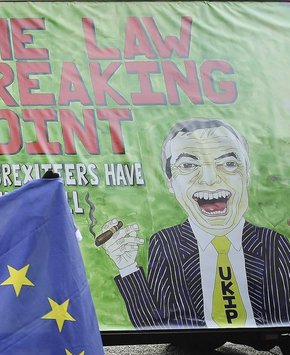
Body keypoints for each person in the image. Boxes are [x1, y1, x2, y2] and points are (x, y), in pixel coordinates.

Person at [101, 117, 290, 328]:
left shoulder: (273, 244)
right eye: (188, 165)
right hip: (197, 344)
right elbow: (156, 324)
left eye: (228, 163)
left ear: (246, 175)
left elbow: (281, 317)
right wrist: (127, 266)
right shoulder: (166, 244)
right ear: (171, 183)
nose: (209, 179)